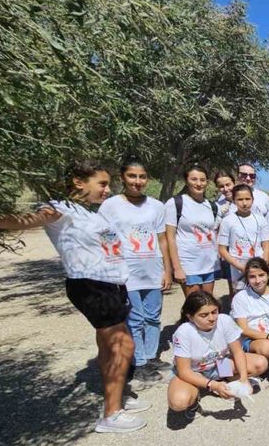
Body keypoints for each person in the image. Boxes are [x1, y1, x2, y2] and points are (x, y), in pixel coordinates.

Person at [0, 161, 149, 433]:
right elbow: (23, 221)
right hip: (91, 285)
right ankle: (111, 415)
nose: (107, 189)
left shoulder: (92, 212)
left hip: (112, 284)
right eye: (102, 184)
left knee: (108, 344)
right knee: (123, 346)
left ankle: (117, 398)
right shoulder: (59, 208)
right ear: (79, 182)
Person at [99, 156, 172, 385]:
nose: (137, 181)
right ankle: (138, 363)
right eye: (132, 176)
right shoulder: (110, 206)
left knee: (153, 317)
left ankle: (150, 357)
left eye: (142, 177)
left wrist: (167, 270)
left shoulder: (156, 206)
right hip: (126, 273)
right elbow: (105, 239)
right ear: (123, 177)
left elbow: (162, 240)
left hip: (153, 270)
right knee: (135, 318)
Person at [167, 291, 267, 419]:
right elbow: (184, 371)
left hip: (220, 364)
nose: (212, 318)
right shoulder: (184, 332)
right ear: (190, 317)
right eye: (204, 315)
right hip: (194, 371)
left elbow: (237, 352)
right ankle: (195, 397)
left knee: (260, 363)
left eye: (214, 312)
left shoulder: (224, 320)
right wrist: (212, 385)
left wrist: (244, 379)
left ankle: (226, 381)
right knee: (178, 402)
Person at [231, 258, 269, 374]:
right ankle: (256, 359)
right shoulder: (241, 297)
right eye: (252, 277)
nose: (257, 280)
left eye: (261, 275)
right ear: (247, 278)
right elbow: (243, 329)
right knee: (267, 347)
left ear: (268, 275)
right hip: (253, 339)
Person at [165, 164, 219, 297]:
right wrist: (177, 268)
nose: (199, 183)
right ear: (186, 181)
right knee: (194, 304)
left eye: (202, 180)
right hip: (188, 264)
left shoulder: (212, 206)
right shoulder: (176, 203)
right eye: (194, 179)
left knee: (208, 303)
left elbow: (214, 234)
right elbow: (170, 238)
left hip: (209, 263)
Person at [218, 185, 269, 294]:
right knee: (241, 297)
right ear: (234, 201)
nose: (244, 203)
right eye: (240, 199)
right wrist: (241, 267)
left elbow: (266, 245)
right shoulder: (227, 221)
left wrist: (263, 265)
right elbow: (222, 249)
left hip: (259, 268)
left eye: (247, 199)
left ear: (252, 199)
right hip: (239, 269)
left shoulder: (260, 219)